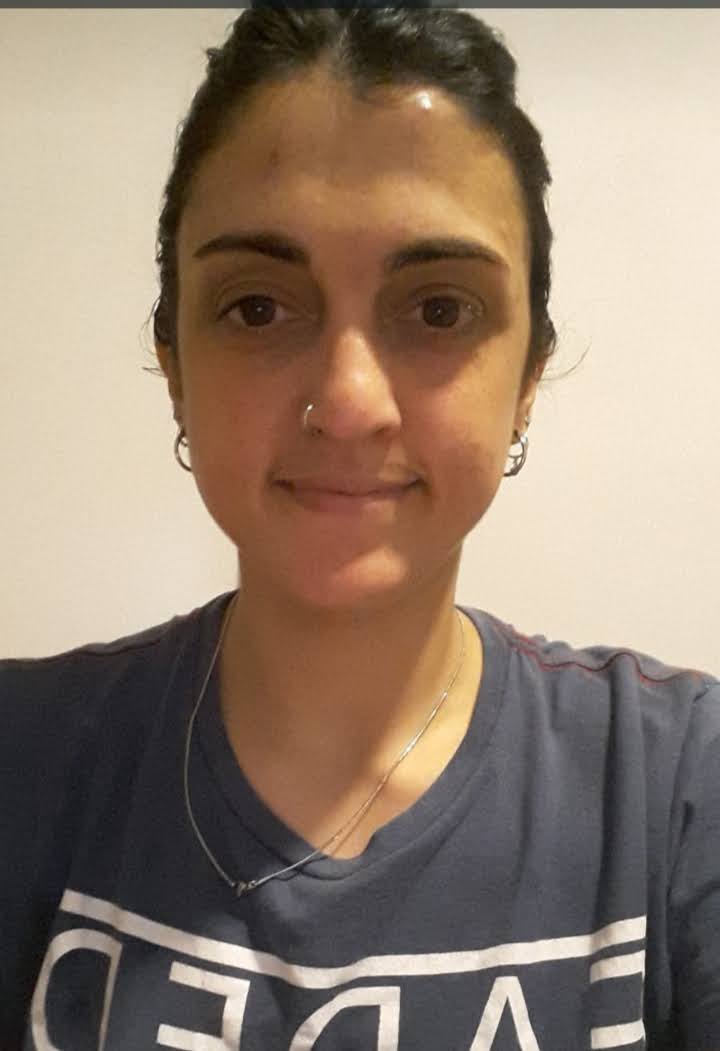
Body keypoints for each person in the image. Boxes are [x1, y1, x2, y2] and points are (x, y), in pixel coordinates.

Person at [1, 6, 718, 1049]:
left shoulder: (680, 791)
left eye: (439, 310)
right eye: (257, 307)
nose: (347, 403)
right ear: (175, 365)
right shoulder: (23, 760)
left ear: (528, 375)